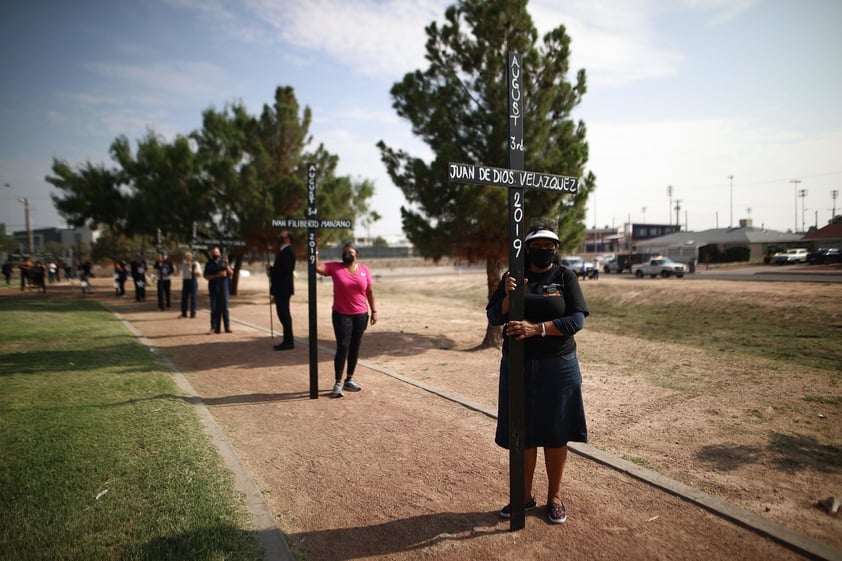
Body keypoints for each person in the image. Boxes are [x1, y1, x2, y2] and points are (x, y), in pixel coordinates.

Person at [485, 222, 589, 525]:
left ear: (556, 248)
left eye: (550, 245)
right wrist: (507, 297)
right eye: (539, 244)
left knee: (556, 433)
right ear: (527, 246)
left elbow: (576, 320)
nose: (545, 250)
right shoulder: (513, 276)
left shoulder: (564, 277)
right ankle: (525, 497)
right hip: (518, 366)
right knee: (523, 433)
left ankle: (554, 498)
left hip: (559, 366)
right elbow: (493, 316)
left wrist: (537, 329)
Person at [315, 242, 377, 398]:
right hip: (341, 314)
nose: (346, 254)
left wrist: (374, 310)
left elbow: (369, 291)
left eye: (349, 252)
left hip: (361, 314)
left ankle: (349, 379)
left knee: (355, 347)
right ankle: (337, 383)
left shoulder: (364, 269)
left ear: (356, 254)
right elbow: (318, 268)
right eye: (344, 252)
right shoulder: (335, 267)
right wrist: (314, 250)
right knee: (343, 346)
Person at [268, 230, 296, 350]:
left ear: (288, 238)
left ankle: (288, 341)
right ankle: (287, 340)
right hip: (280, 287)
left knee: (284, 314)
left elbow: (286, 270)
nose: (280, 237)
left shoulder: (288, 252)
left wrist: (273, 271)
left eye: (282, 236)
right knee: (282, 313)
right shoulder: (282, 251)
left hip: (284, 288)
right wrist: (272, 269)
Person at [204, 246, 233, 334]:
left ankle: (227, 327)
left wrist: (227, 265)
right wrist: (217, 275)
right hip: (213, 288)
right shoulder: (209, 264)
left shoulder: (224, 263)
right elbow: (206, 276)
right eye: (214, 253)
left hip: (224, 288)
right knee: (214, 308)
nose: (215, 254)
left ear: (220, 253)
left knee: (225, 308)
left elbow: (231, 273)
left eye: (217, 252)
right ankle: (214, 327)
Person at [179, 251, 201, 319]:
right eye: (186, 257)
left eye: (189, 257)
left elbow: (199, 274)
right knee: (184, 297)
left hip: (193, 280)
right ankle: (184, 313)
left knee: (193, 297)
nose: (187, 259)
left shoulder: (196, 264)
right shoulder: (183, 263)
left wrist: (194, 271)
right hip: (186, 280)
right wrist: (188, 265)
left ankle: (193, 313)